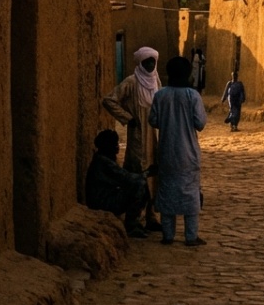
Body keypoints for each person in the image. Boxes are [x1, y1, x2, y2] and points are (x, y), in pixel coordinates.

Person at [149, 56, 208, 246]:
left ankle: (168, 235)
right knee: (190, 193)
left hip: (166, 152)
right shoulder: (192, 96)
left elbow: (153, 120)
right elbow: (200, 123)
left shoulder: (160, 95)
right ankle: (191, 236)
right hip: (188, 153)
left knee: (167, 191)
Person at [102, 46, 161, 231]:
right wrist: (128, 118)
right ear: (140, 63)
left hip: (155, 134)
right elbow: (109, 100)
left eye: (152, 61)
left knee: (154, 174)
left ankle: (151, 217)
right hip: (138, 136)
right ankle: (133, 217)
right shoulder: (131, 82)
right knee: (137, 173)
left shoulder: (156, 80)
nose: (150, 65)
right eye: (147, 62)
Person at [84, 129, 150, 238]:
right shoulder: (103, 162)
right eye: (115, 144)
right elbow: (127, 178)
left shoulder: (102, 159)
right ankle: (131, 226)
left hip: (103, 199)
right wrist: (147, 173)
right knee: (139, 184)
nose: (117, 147)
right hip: (102, 203)